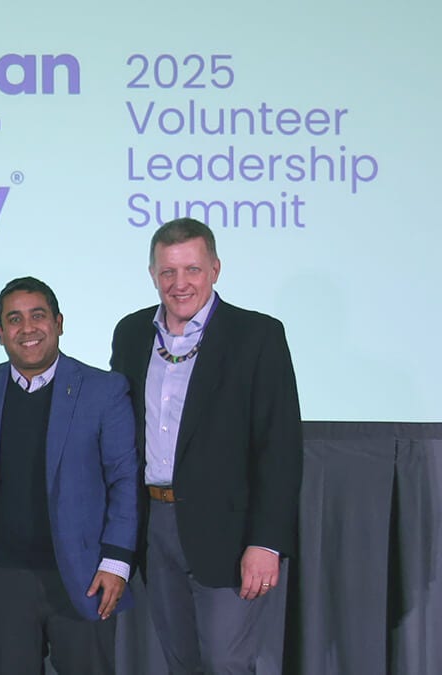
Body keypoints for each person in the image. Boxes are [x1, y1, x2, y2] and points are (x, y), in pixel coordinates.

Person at [110, 218, 303, 674]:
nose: (180, 284)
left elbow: (280, 447)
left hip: (230, 533)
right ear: (153, 274)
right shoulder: (132, 333)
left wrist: (266, 542)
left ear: (215, 269)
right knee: (182, 663)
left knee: (226, 663)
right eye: (168, 272)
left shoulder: (256, 336)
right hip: (155, 526)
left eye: (192, 270)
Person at [0, 277, 138, 674]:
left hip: (85, 576)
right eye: (13, 319)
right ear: (0, 333)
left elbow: (125, 480)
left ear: (59, 322)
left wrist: (116, 562)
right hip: (3, 578)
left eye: (38, 316)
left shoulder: (103, 390)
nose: (27, 328)